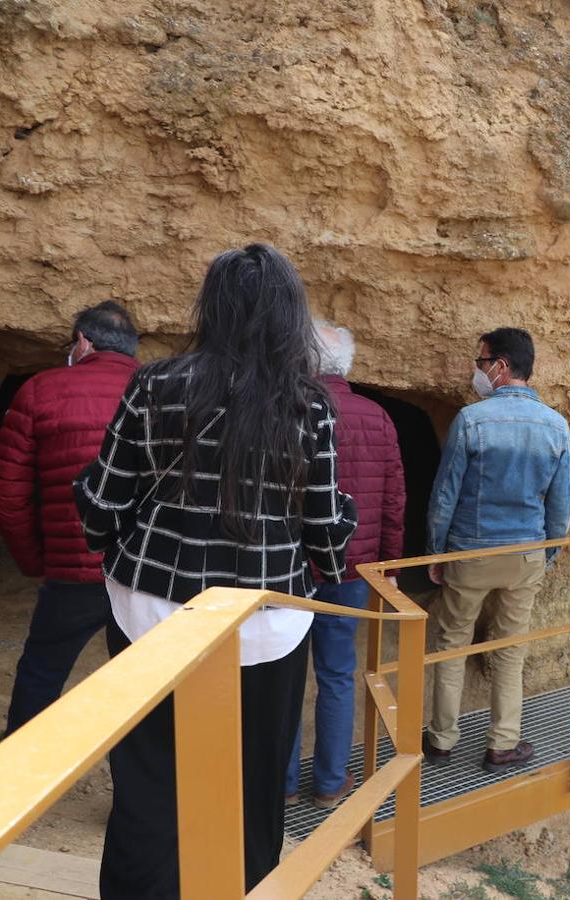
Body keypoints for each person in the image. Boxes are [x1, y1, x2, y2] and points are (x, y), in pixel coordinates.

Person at [74, 244, 357, 897]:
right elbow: (322, 526)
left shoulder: (155, 382)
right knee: (253, 783)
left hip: (149, 606)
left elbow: (106, 496)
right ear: (290, 315)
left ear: (214, 305)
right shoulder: (309, 405)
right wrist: (335, 556)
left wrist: (108, 542)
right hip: (263, 620)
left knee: (147, 778)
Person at [424, 327, 570, 773]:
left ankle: (442, 740)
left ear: (501, 367)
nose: (477, 369)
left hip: (470, 552)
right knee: (511, 650)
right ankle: (502, 744)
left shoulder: (472, 421)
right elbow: (561, 503)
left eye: (481, 361)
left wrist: (436, 552)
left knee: (452, 642)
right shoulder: (556, 425)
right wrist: (546, 553)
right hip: (524, 554)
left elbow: (445, 495)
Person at [0, 302, 140, 737]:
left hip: (72, 568)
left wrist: (35, 561)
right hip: (146, 570)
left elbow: (11, 496)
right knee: (144, 680)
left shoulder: (41, 390)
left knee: (42, 668)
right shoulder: (164, 390)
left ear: (82, 341)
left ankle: (18, 779)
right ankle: (140, 802)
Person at [285, 322, 405, 809]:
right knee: (337, 674)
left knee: (286, 673)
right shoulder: (377, 417)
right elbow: (394, 500)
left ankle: (283, 784)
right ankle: (331, 783)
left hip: (292, 568)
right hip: (352, 571)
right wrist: (390, 565)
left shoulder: (286, 411)